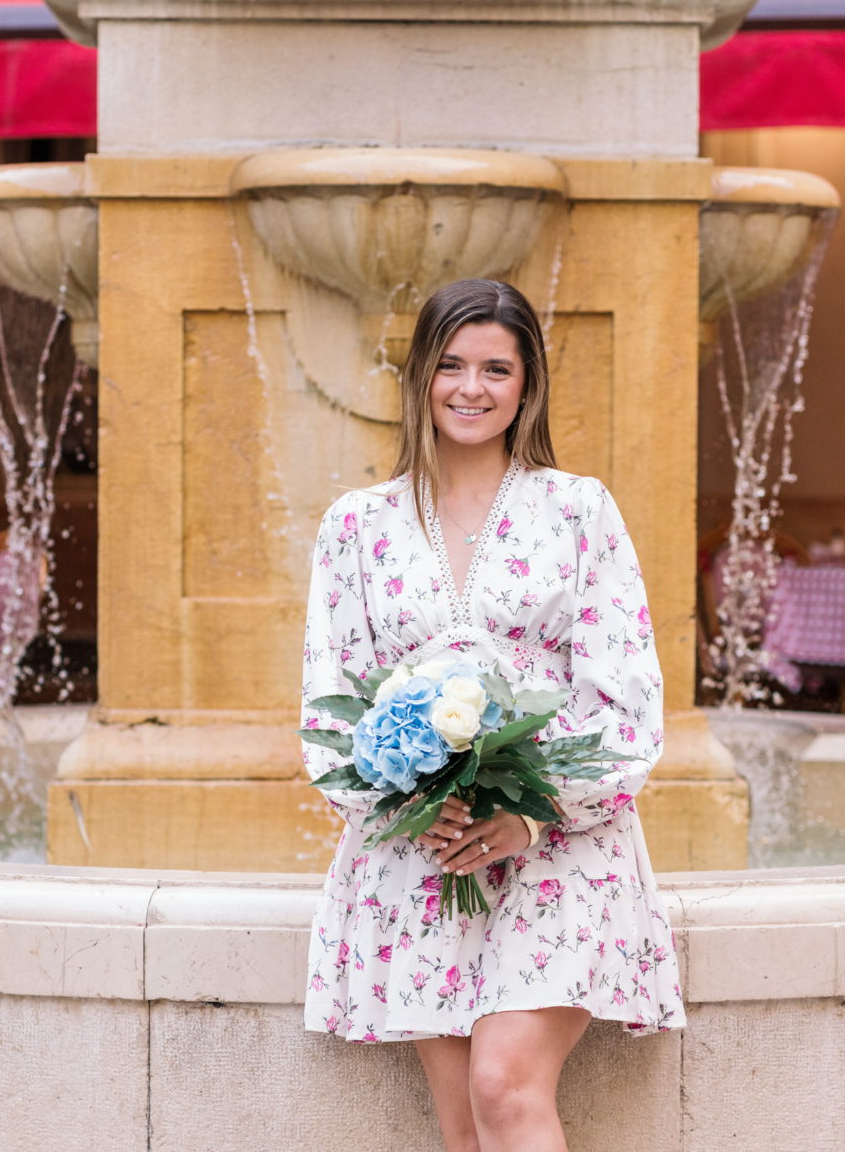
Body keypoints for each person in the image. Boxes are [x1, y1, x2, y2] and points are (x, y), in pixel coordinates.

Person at [301, 278, 682, 1152]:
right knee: (463, 1126)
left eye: (496, 368)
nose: (471, 387)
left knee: (504, 1084)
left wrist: (528, 815)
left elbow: (626, 698)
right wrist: (418, 809)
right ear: (421, 377)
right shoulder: (357, 526)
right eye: (452, 365)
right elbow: (331, 703)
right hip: (423, 852)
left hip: (562, 841)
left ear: (527, 384)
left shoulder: (578, 510)